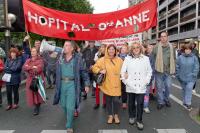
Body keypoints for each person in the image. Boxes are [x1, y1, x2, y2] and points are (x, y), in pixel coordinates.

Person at [53, 41, 90, 133]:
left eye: (66, 45)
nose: (64, 47)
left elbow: (83, 71)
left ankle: (69, 125)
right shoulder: (60, 57)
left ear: (72, 48)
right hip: (61, 84)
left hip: (72, 84)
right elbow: (51, 65)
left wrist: (86, 84)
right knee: (64, 105)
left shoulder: (78, 58)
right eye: (64, 45)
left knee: (70, 107)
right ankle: (69, 116)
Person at [121, 42, 152, 130]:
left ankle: (139, 120)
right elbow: (122, 72)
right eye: (134, 48)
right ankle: (131, 116)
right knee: (131, 103)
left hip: (141, 86)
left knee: (140, 103)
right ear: (131, 49)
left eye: (137, 47)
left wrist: (146, 81)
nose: (136, 49)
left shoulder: (145, 58)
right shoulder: (127, 59)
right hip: (130, 85)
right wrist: (126, 81)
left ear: (140, 48)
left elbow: (149, 71)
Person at [92, 44, 123, 124]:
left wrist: (125, 74)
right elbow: (94, 68)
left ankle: (116, 115)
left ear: (115, 50)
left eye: (113, 49)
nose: (111, 51)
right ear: (107, 50)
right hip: (107, 84)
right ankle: (110, 115)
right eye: (109, 49)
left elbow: (125, 69)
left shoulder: (120, 60)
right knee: (108, 101)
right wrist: (100, 70)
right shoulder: (102, 59)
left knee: (116, 101)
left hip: (117, 84)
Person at [152, 32, 176, 110]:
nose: (163, 38)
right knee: (159, 87)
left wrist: (173, 68)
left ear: (167, 37)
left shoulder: (171, 47)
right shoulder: (156, 47)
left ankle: (166, 99)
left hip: (168, 71)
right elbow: (153, 58)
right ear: (160, 38)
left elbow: (174, 58)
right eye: (161, 37)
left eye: (164, 36)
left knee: (168, 86)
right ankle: (160, 102)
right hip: (159, 71)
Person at [176, 42, 199, 110]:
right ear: (184, 50)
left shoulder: (194, 57)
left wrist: (194, 74)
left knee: (189, 89)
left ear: (191, 50)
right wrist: (178, 75)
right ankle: (184, 101)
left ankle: (188, 103)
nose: (187, 50)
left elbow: (196, 67)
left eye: (189, 49)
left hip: (191, 78)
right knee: (184, 89)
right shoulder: (180, 57)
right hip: (182, 77)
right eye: (186, 49)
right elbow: (177, 66)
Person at [23, 47, 45, 115]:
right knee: (31, 92)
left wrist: (30, 67)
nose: (32, 52)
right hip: (30, 79)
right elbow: (24, 67)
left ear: (37, 52)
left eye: (34, 51)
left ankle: (37, 106)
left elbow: (38, 69)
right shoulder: (28, 60)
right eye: (32, 51)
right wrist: (32, 67)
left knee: (37, 93)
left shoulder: (40, 60)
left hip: (38, 78)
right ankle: (35, 104)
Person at [93, 44, 106, 109]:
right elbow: (95, 63)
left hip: (105, 73)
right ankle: (97, 103)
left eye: (103, 47)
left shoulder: (107, 55)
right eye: (101, 47)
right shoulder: (97, 54)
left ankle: (104, 102)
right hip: (98, 73)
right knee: (97, 89)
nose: (102, 48)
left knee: (104, 89)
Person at [143, 44, 155, 113]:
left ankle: (145, 106)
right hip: (141, 78)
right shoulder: (143, 57)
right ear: (146, 49)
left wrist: (151, 77)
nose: (150, 49)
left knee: (146, 93)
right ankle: (138, 103)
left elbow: (153, 68)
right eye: (148, 48)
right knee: (140, 92)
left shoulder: (153, 57)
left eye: (151, 48)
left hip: (148, 78)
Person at [118, 44, 129, 109]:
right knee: (118, 88)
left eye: (124, 48)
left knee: (124, 89)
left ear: (127, 50)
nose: (123, 49)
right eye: (122, 48)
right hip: (117, 75)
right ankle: (117, 100)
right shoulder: (117, 56)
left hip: (125, 76)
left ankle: (124, 102)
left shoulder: (129, 57)